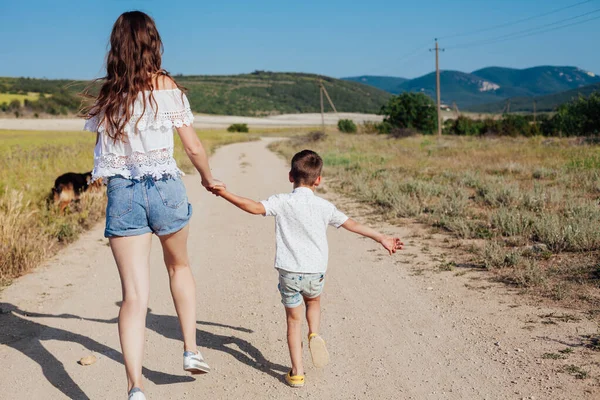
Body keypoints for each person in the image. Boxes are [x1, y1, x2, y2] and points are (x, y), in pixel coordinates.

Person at [81, 11, 222, 400]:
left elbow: (101, 155)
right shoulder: (166, 87)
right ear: (152, 42)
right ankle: (190, 349)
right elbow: (192, 145)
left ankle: (135, 388)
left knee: (134, 297)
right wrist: (208, 179)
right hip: (165, 188)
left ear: (116, 47)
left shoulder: (109, 94)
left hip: (123, 193)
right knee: (179, 266)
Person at [211, 149, 403, 388]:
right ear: (318, 180)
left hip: (289, 272)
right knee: (313, 302)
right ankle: (314, 332)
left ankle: (298, 373)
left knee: (293, 321)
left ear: (291, 176)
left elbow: (252, 207)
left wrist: (225, 193)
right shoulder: (325, 207)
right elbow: (351, 224)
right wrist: (381, 237)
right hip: (315, 272)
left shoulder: (282, 201)